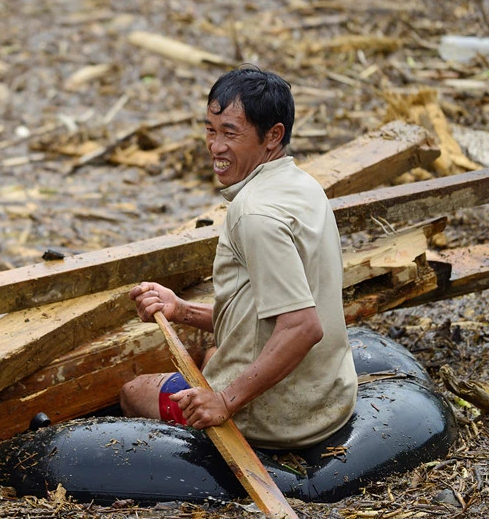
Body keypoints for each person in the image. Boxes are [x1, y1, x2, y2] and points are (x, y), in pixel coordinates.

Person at [119, 66, 357, 449]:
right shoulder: (303, 186)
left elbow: (302, 327)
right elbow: (264, 315)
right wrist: (180, 309)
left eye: (230, 133)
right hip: (329, 401)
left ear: (272, 136)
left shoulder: (254, 214)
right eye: (210, 130)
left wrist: (223, 402)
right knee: (214, 350)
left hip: (277, 420)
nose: (215, 146)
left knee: (134, 391)